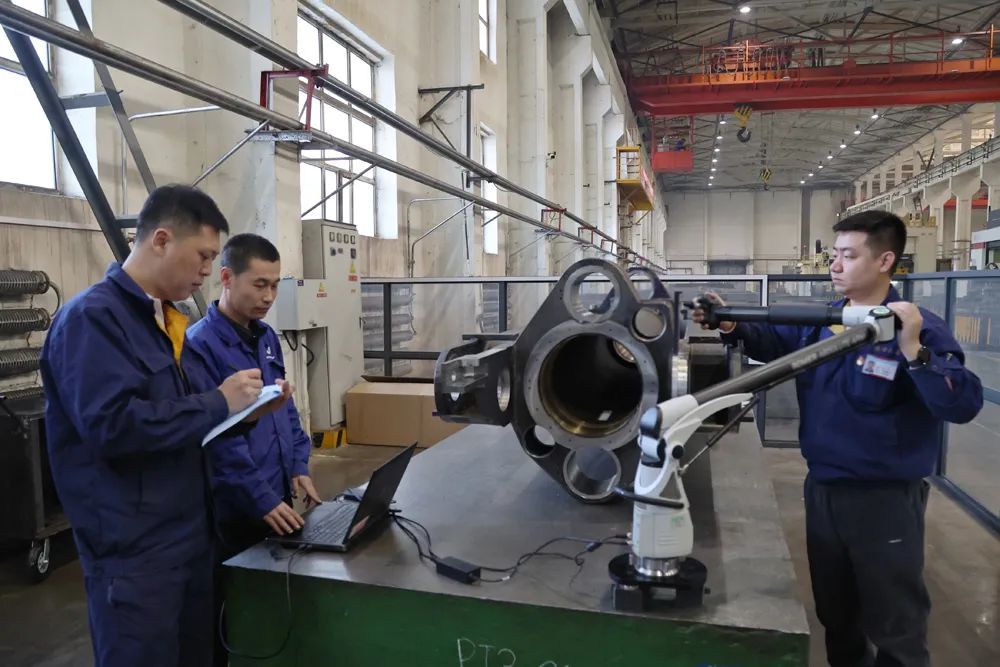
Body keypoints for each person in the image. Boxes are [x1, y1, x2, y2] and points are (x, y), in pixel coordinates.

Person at [693, 210, 982, 667]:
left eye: (849, 255)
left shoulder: (918, 328)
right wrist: (729, 322)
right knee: (837, 613)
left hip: (884, 501)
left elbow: (961, 404)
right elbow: (770, 341)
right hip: (823, 489)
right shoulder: (822, 321)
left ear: (885, 260)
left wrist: (915, 352)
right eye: (835, 254)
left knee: (895, 623)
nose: (835, 265)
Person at [40, 185, 292, 667]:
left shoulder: (166, 323)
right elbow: (113, 427)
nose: (207, 270)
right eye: (203, 256)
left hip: (191, 538)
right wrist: (219, 401)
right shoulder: (92, 320)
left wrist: (247, 413)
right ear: (161, 240)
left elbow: (190, 425)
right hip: (135, 553)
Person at [187, 233, 321, 556]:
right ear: (226, 278)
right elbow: (216, 438)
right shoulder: (199, 346)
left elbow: (283, 406)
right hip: (235, 504)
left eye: (274, 286)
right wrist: (259, 497)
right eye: (260, 285)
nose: (269, 297)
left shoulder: (266, 337)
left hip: (276, 492)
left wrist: (298, 464)